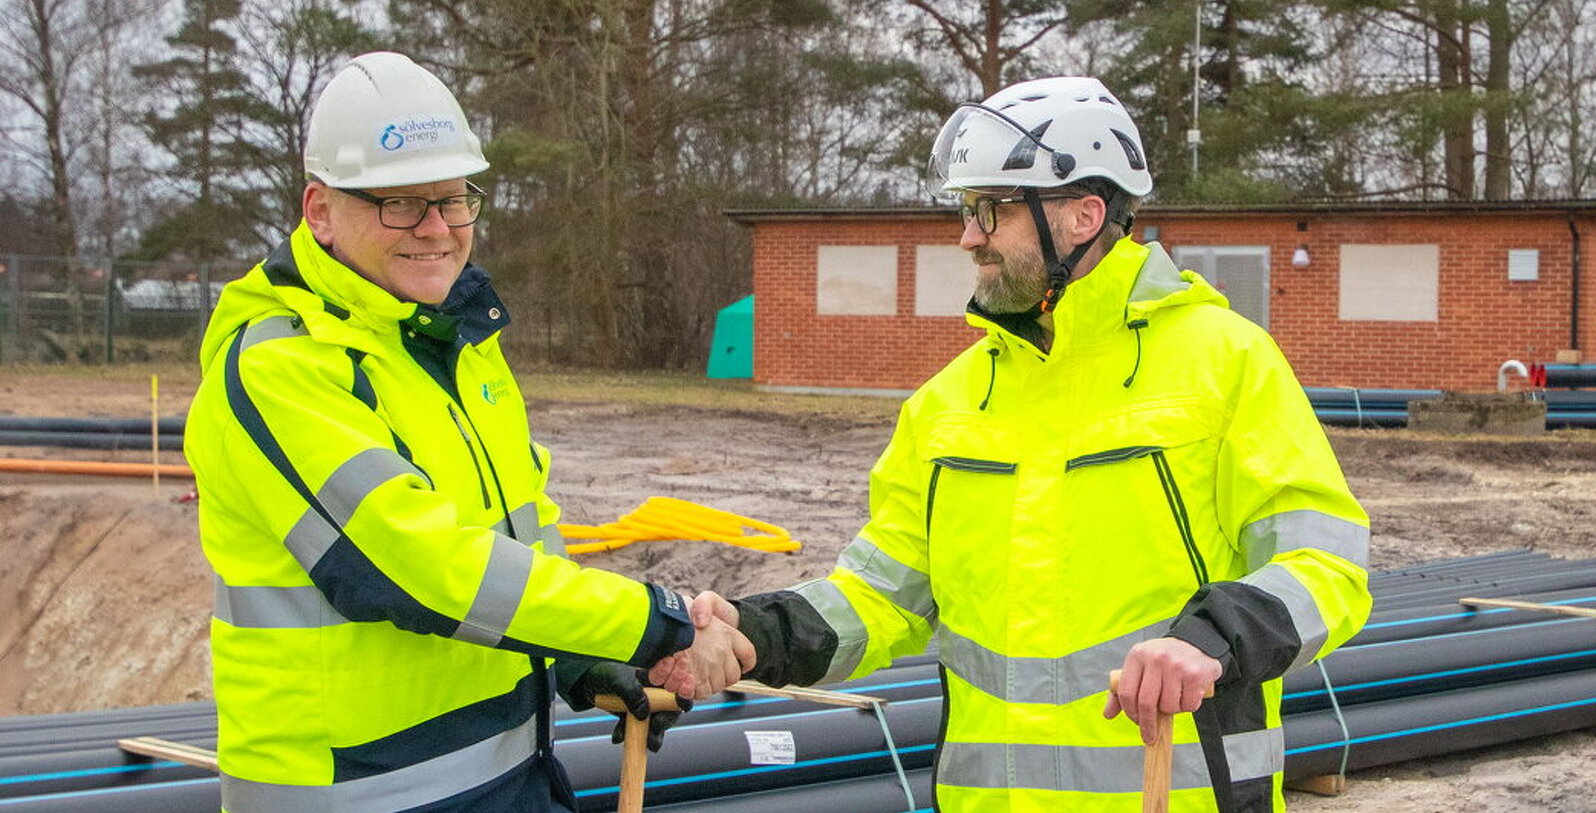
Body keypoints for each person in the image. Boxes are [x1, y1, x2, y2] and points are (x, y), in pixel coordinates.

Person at [655, 76, 1372, 812]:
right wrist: (757, 630)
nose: (969, 237)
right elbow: (882, 595)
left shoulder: (1225, 363)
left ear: (1084, 215)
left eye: (991, 210)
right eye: (968, 211)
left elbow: (1328, 564)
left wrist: (1214, 638)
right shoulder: (948, 402)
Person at [186, 51, 750, 813]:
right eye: (400, 204)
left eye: (454, 201)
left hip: (507, 776)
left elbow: (525, 535)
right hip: (357, 795)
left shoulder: (456, 343)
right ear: (319, 209)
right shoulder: (282, 365)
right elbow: (422, 570)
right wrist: (658, 624)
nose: (437, 229)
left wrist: (579, 656)